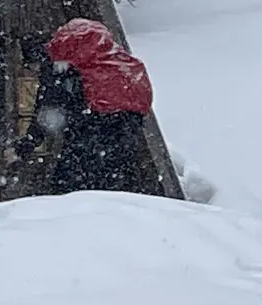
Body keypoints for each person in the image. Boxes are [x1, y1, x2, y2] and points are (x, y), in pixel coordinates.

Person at [18, 18, 158, 195]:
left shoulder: (56, 63)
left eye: (31, 68)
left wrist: (24, 146)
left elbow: (48, 112)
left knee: (69, 185)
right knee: (111, 181)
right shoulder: (103, 56)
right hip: (128, 121)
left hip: (95, 124)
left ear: (35, 59)